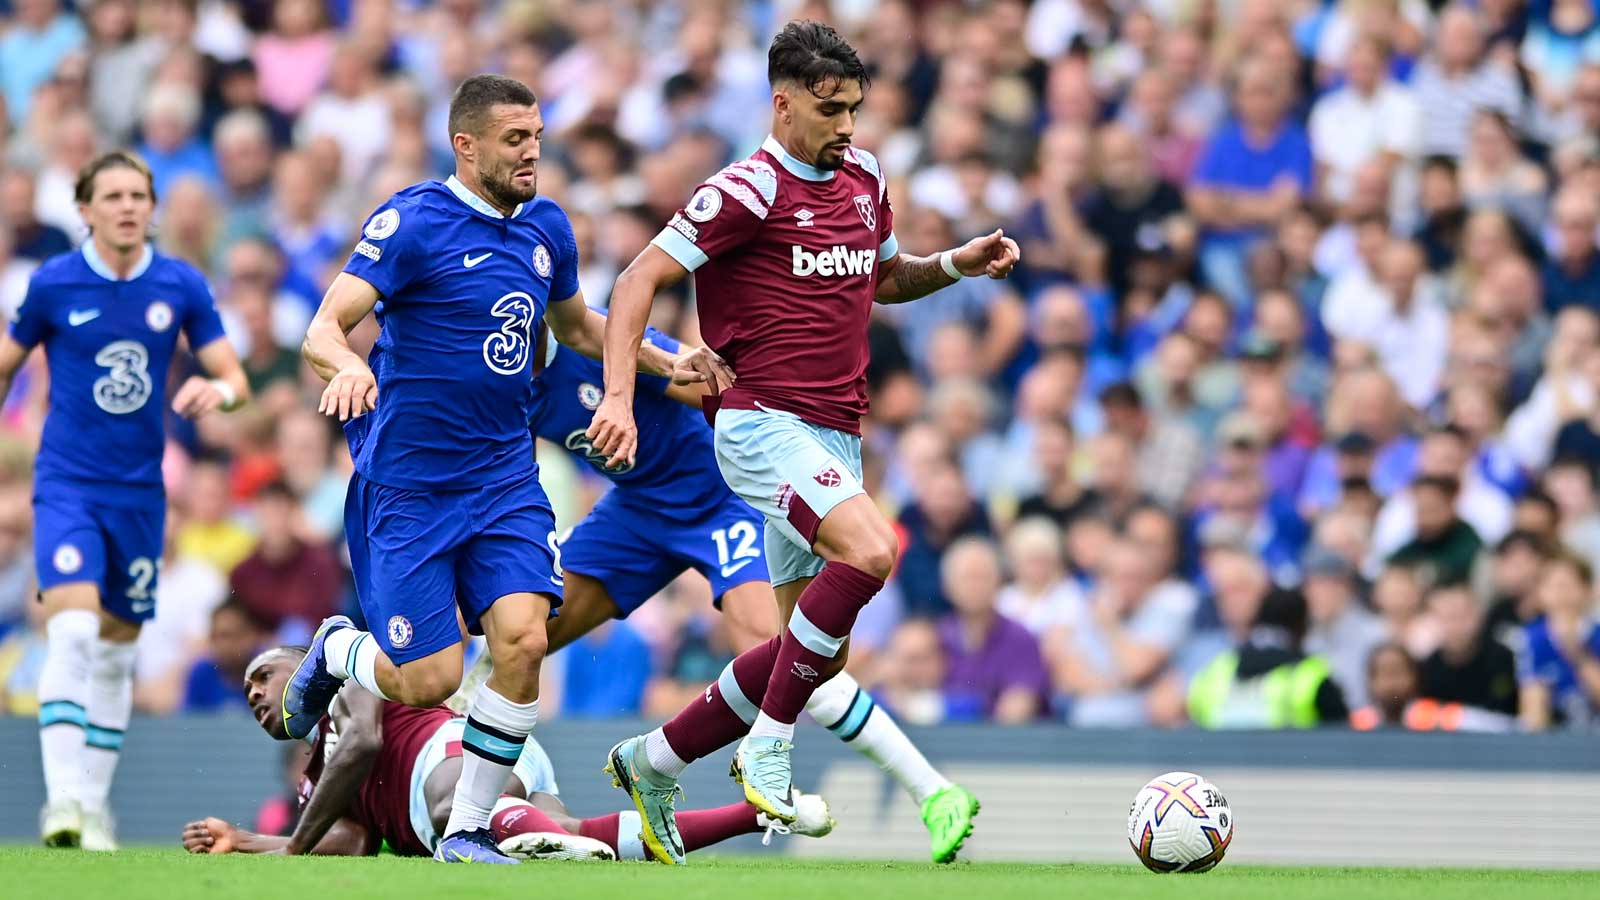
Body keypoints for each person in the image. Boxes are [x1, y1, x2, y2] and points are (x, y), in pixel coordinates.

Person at [586, 22, 1018, 860]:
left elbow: (885, 278)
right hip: (759, 424)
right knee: (872, 551)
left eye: (854, 108)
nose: (847, 125)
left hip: (834, 433)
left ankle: (653, 760)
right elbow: (638, 278)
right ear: (782, 105)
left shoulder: (864, 177)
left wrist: (956, 264)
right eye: (830, 110)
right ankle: (767, 748)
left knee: (806, 653)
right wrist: (620, 397)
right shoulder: (745, 190)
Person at [286, 75, 722, 865]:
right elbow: (322, 326)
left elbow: (580, 327)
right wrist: (343, 368)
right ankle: (337, 651)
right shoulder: (413, 222)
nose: (532, 152)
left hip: (502, 479)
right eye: (515, 139)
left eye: (537, 136)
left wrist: (668, 361)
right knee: (426, 680)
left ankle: (467, 830)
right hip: (411, 488)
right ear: (467, 144)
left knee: (522, 642)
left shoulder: (547, 227)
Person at [523, 320, 978, 860]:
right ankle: (465, 802)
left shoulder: (600, 338)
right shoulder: (499, 382)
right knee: (522, 633)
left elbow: (715, 389)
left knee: (787, 651)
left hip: (720, 497)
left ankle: (931, 791)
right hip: (637, 509)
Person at [0, 150, 250, 850]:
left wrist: (219, 391)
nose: (128, 206)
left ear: (152, 206)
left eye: (139, 194)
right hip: (67, 486)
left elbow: (233, 374)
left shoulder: (179, 283)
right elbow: (7, 364)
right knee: (72, 633)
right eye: (112, 195)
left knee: (113, 656)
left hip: (141, 495)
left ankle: (95, 809)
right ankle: (63, 805)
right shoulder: (53, 283)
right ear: (84, 208)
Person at [180, 647, 831, 860]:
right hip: (504, 782)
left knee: (447, 808)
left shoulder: (352, 678)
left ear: (302, 664)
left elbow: (367, 744)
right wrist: (244, 841)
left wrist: (289, 844)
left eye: (263, 676)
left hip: (461, 757)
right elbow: (348, 843)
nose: (255, 693)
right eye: (245, 692)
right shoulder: (315, 774)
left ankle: (535, 837)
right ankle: (762, 815)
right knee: (579, 835)